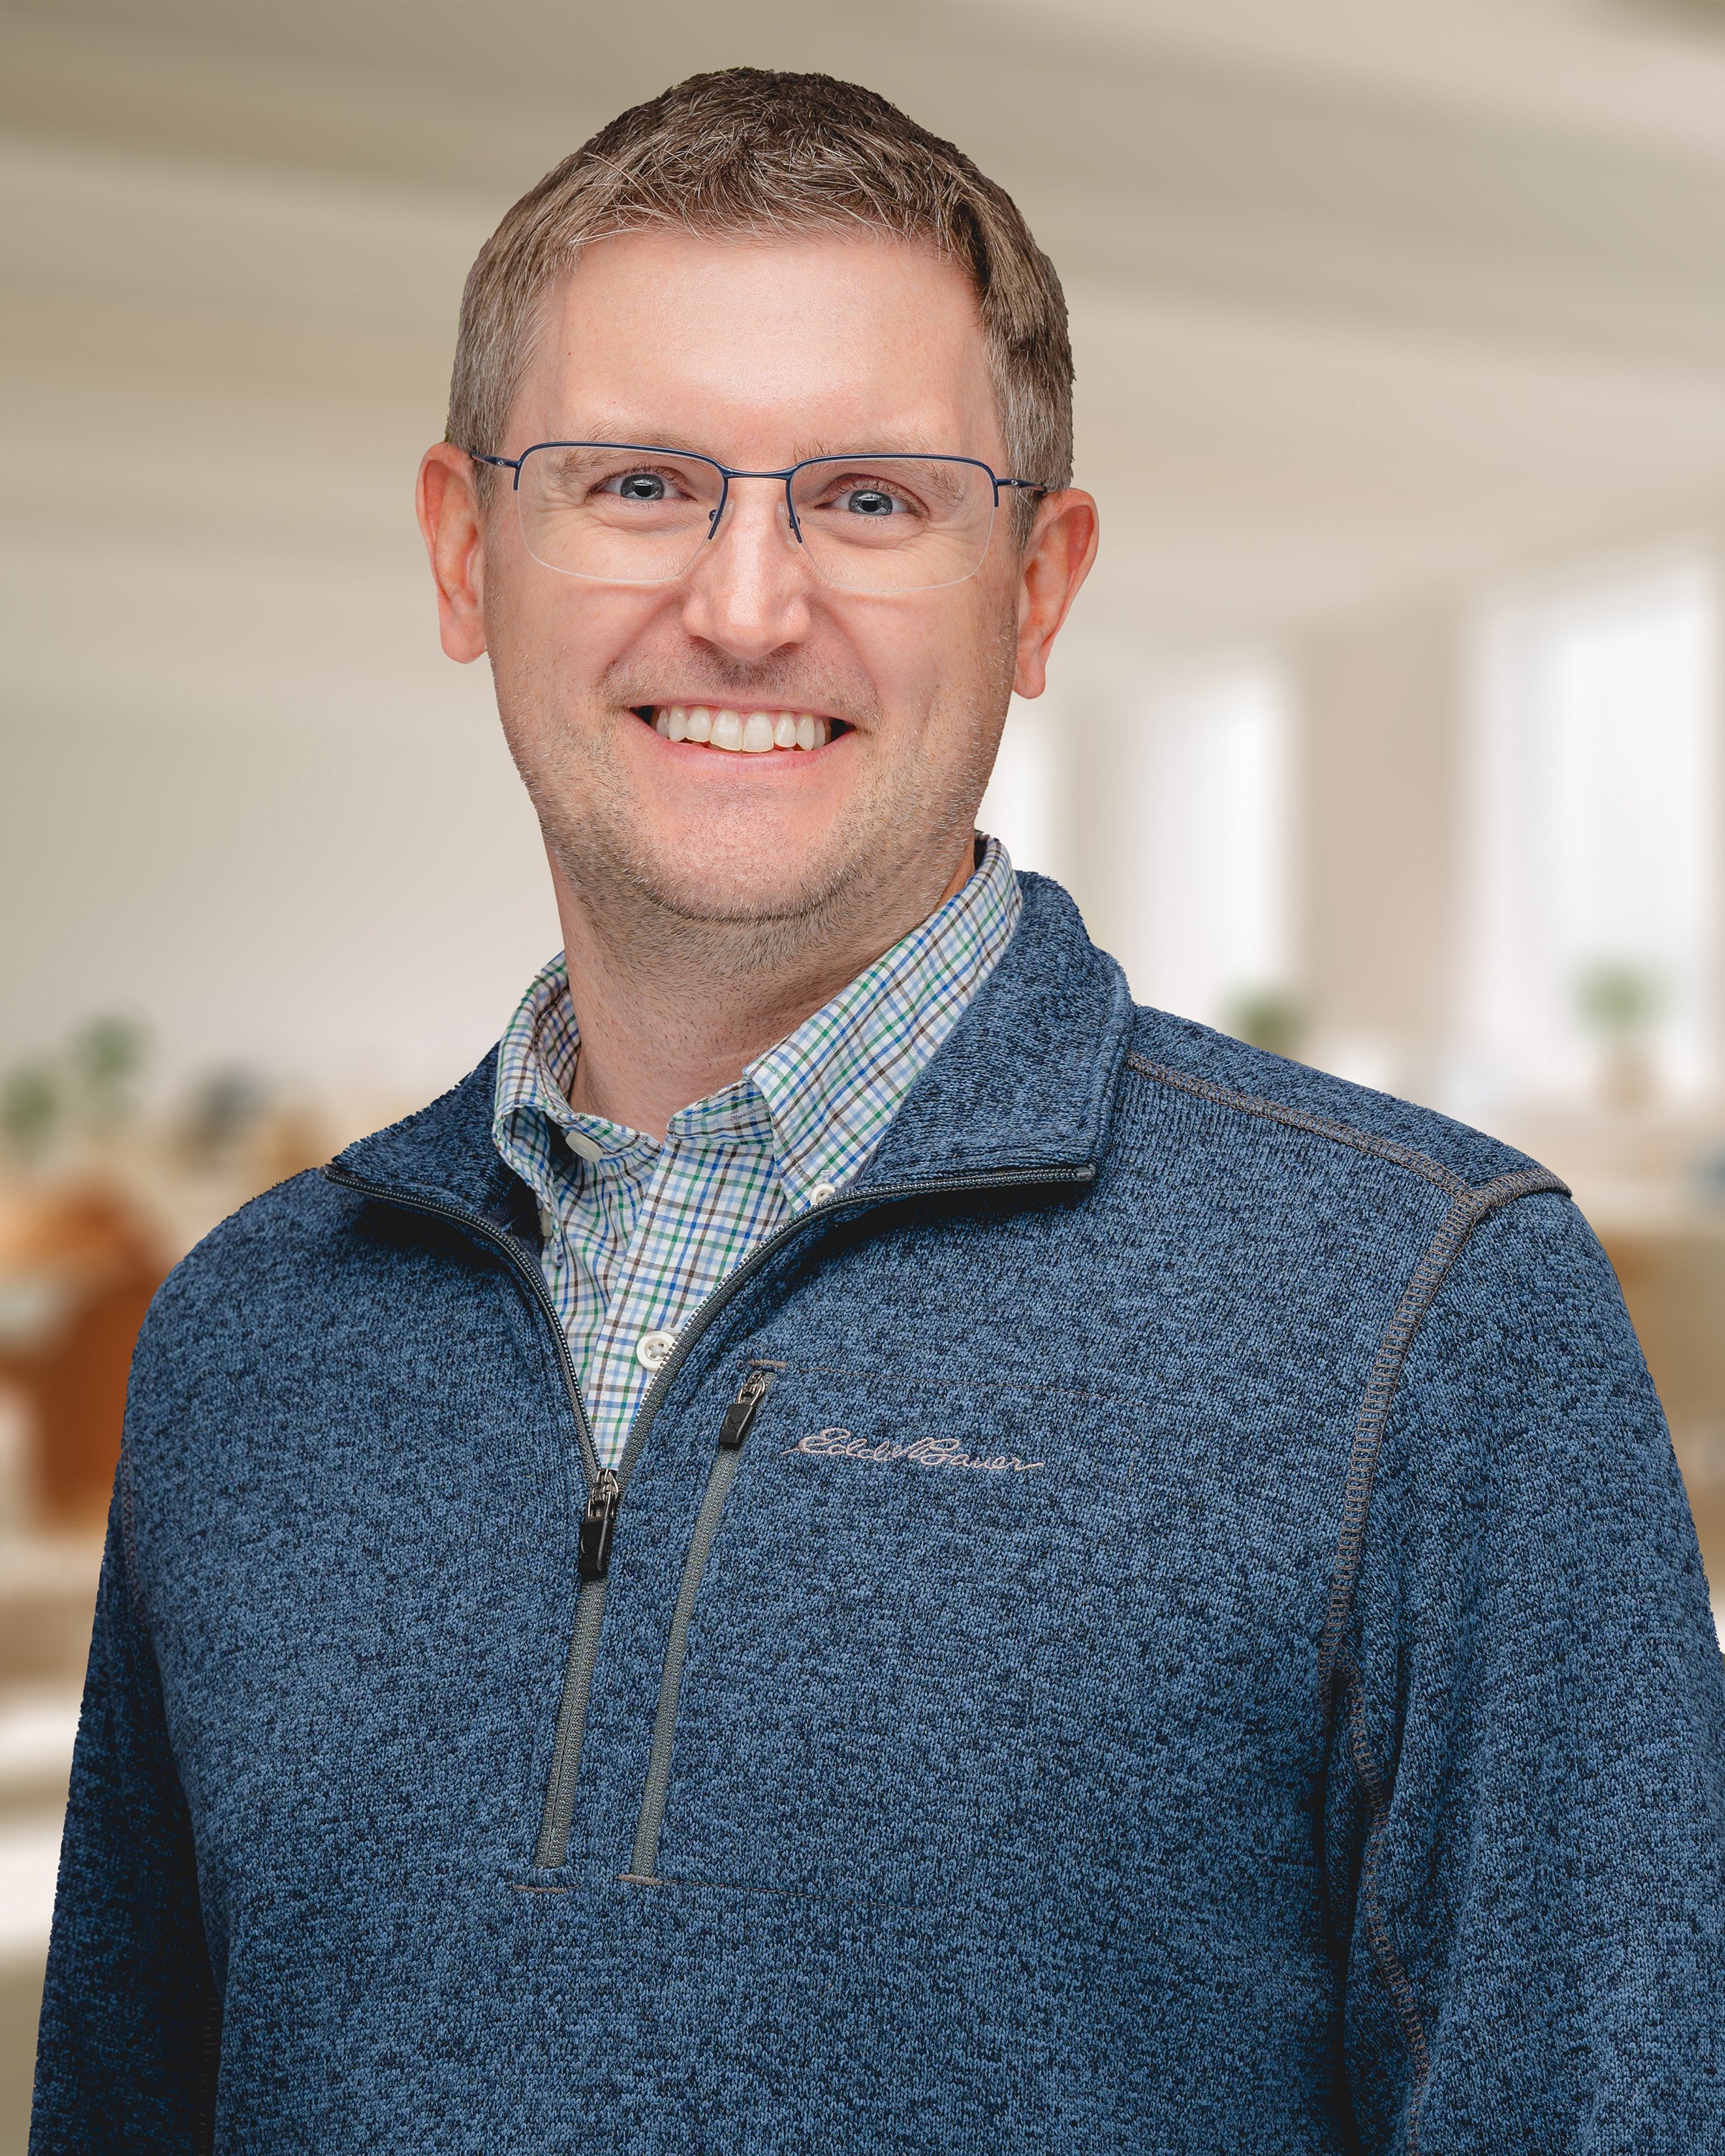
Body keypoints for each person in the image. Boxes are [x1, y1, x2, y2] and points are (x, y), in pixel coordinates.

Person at [31, 67, 1724, 2156]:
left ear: (1040, 584)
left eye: (870, 499)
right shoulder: (247, 1337)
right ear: (467, 553)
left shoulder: (1433, 1321)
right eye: (637, 482)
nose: (747, 606)